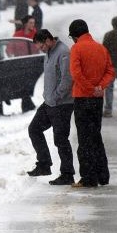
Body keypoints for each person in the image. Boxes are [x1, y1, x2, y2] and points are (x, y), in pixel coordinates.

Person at [68, 19, 115, 188]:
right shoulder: (101, 48)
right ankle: (103, 175)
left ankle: (88, 177)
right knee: (96, 136)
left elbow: (76, 73)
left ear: (75, 36)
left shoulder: (76, 48)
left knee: (84, 139)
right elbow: (111, 71)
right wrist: (99, 86)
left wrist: (89, 88)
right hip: (97, 99)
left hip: (82, 98)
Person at [26, 30, 75, 185]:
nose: (41, 50)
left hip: (62, 104)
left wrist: (55, 96)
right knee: (34, 128)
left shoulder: (63, 52)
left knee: (61, 139)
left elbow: (67, 79)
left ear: (48, 40)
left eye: (41, 46)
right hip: (49, 103)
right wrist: (48, 97)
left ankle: (67, 174)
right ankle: (44, 164)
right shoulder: (49, 52)